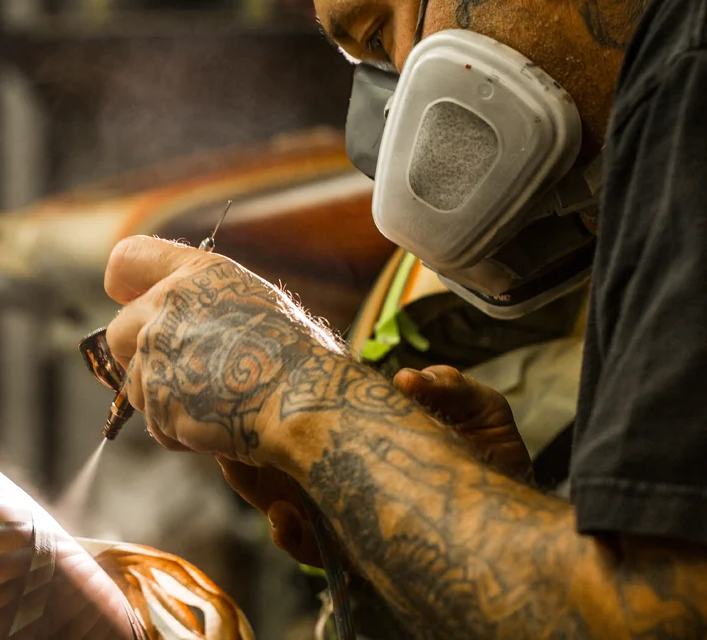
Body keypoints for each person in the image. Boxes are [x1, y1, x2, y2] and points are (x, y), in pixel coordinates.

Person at [102, 0, 707, 634]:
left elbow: (658, 619)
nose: (386, 122)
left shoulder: (690, 71)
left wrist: (299, 395)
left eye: (379, 37)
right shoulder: (658, 121)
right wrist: (452, 514)